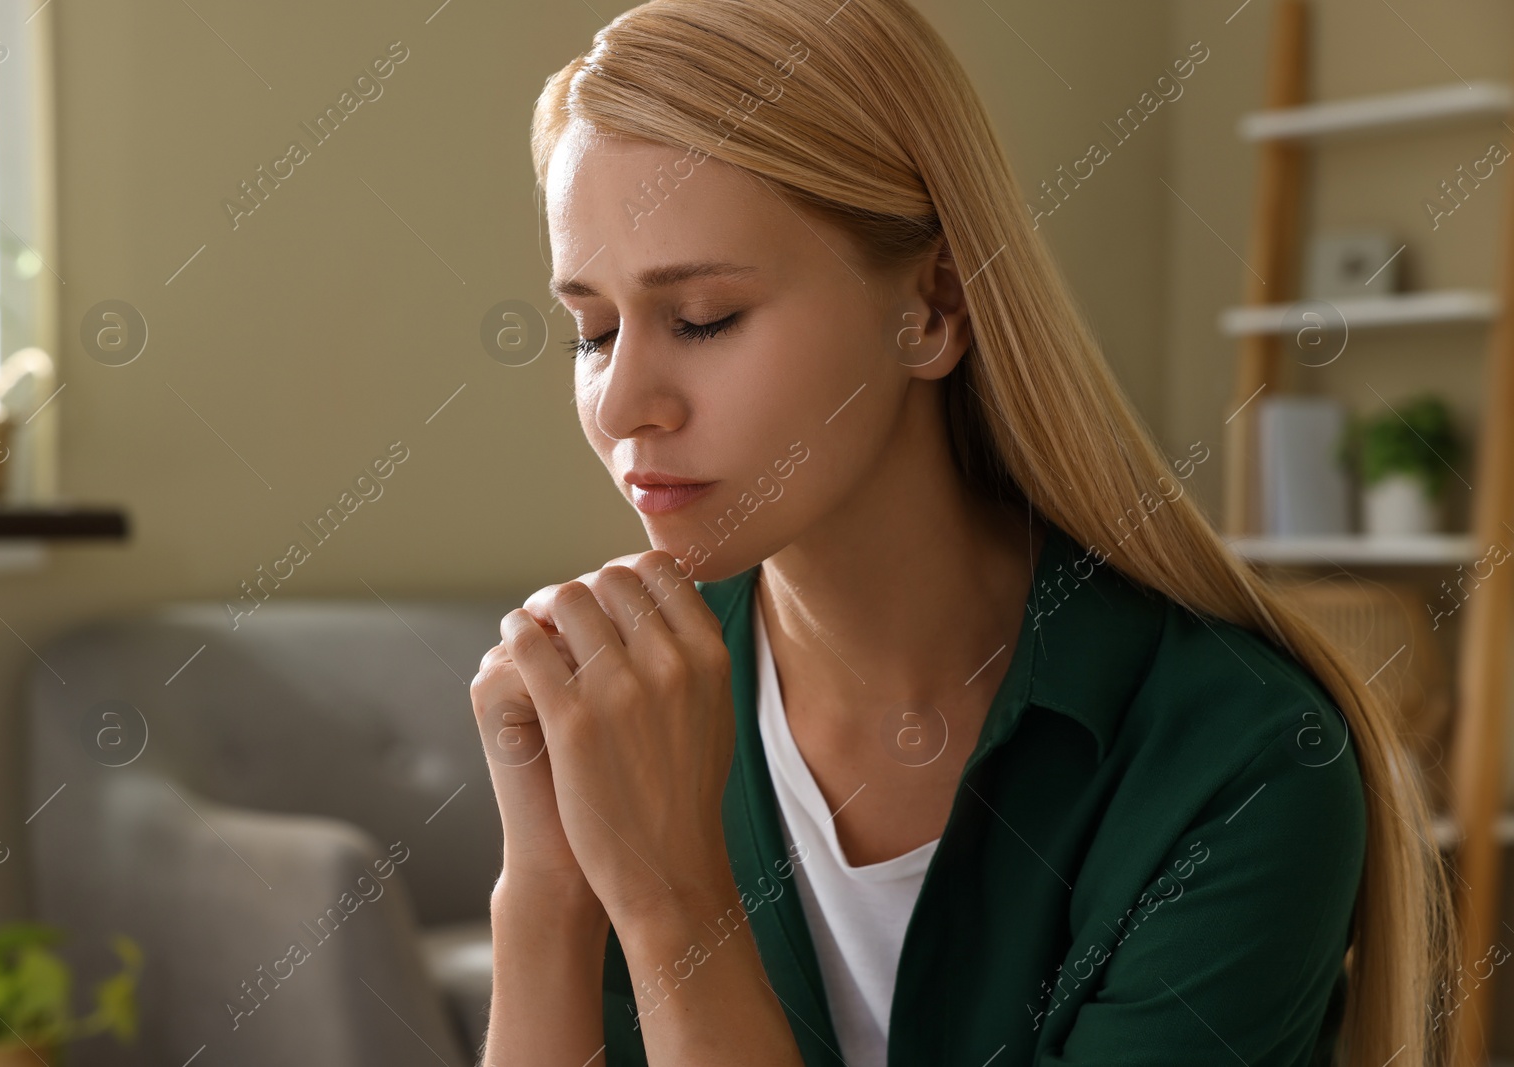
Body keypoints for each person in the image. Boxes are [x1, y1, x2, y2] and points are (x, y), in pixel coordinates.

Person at [468, 1, 1459, 1064]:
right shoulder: (630, 708)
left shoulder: (1242, 761)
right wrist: (543, 889)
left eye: (703, 314)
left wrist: (674, 904)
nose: (622, 405)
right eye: (593, 331)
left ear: (932, 305)